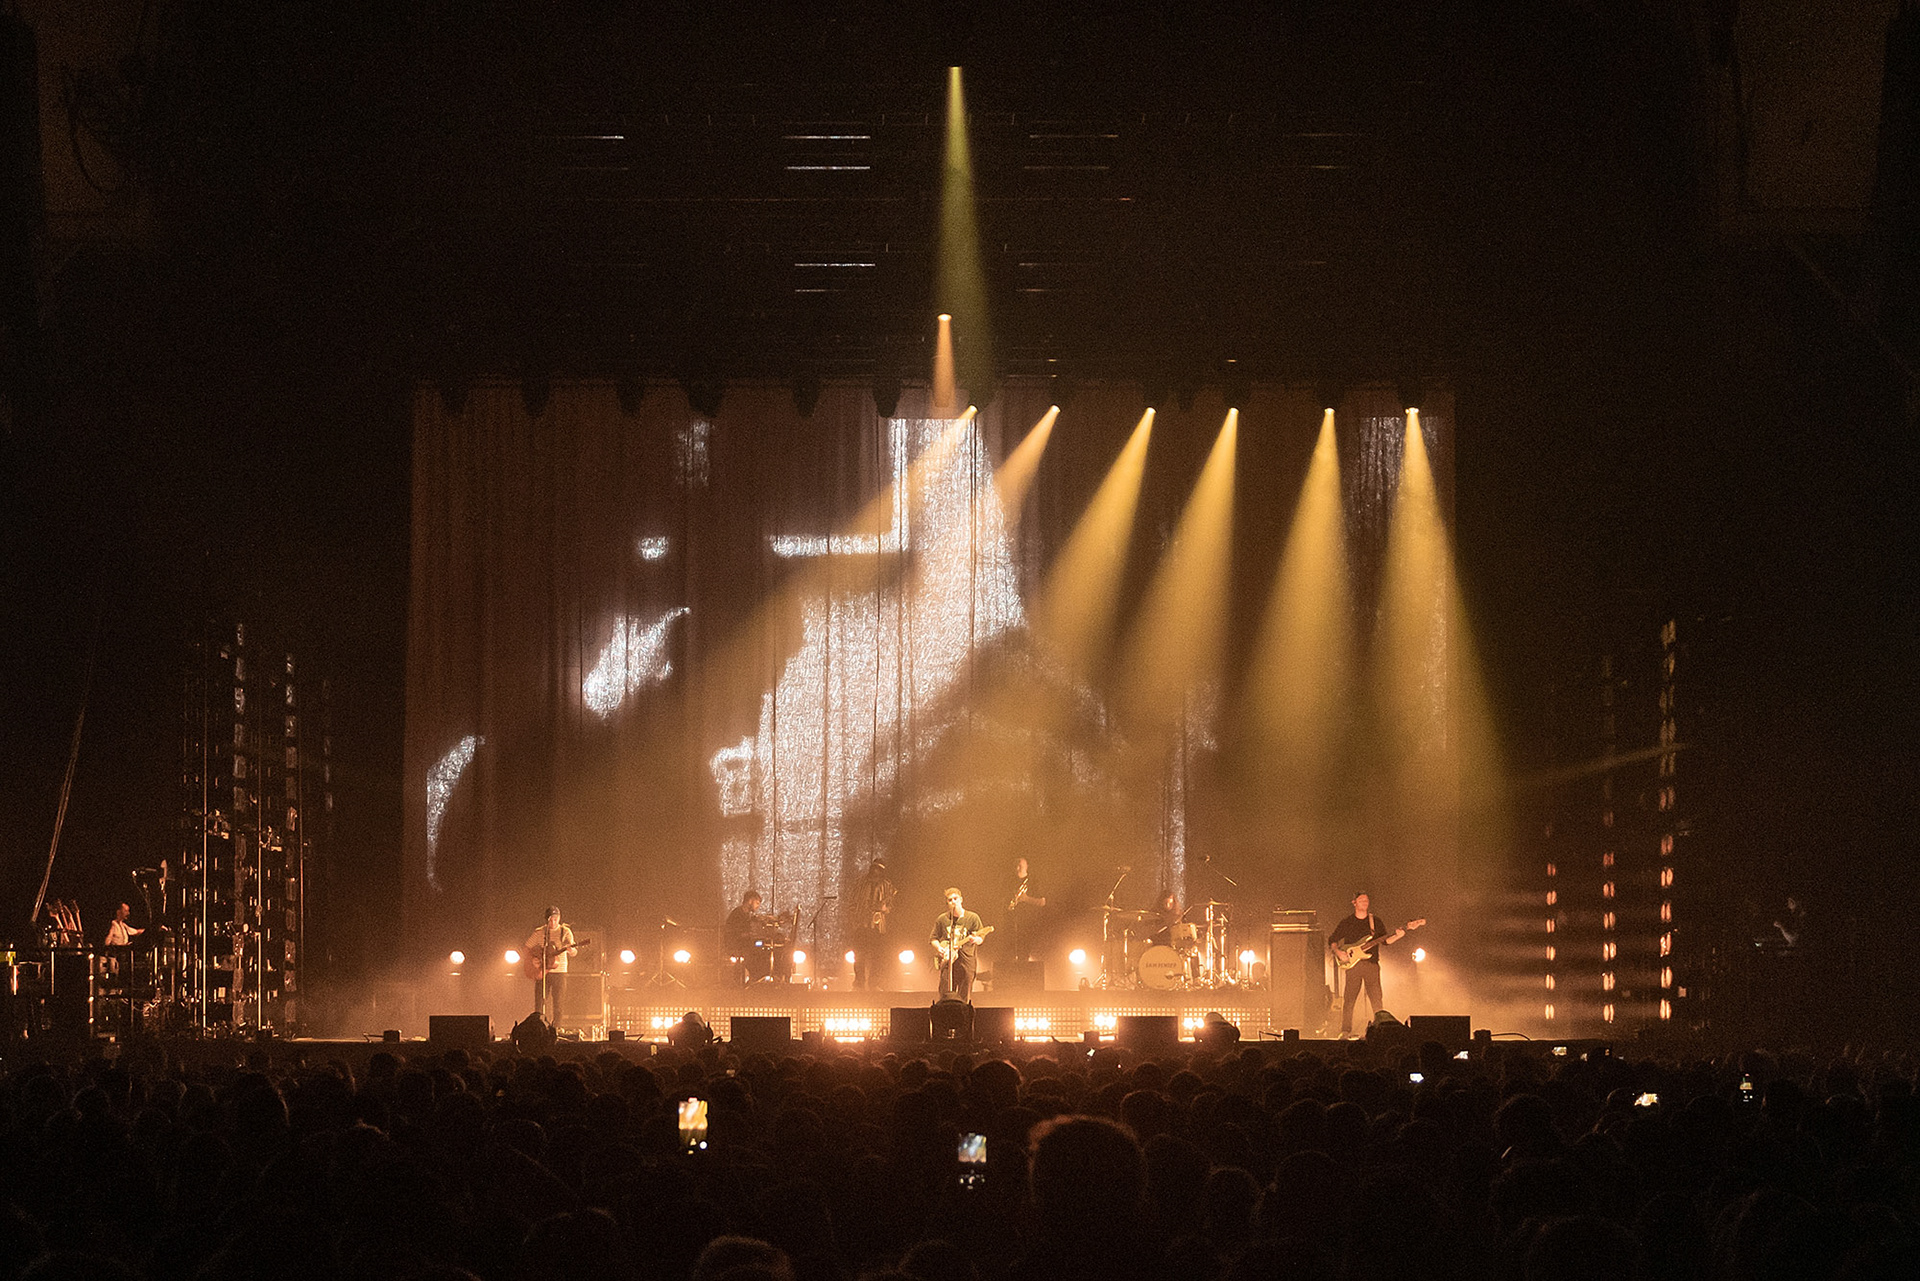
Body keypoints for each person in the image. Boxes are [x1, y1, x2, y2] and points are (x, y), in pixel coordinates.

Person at [1327, 892, 1407, 1038]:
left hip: (1371, 964)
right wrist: (1338, 952)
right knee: (1349, 999)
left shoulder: (1375, 921)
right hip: (1353, 966)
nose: (1365, 902)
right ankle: (1345, 1030)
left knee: (1376, 999)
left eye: (1366, 900)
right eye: (1361, 900)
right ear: (1354, 903)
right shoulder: (1347, 922)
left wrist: (1398, 936)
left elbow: (1385, 941)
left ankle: (1381, 1029)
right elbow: (1333, 939)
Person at [929, 887, 987, 1002]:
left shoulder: (972, 918)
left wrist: (975, 940)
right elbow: (933, 938)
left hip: (966, 961)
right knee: (945, 994)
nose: (953, 902)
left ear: (961, 899)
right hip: (948, 962)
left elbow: (981, 938)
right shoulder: (942, 919)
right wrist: (939, 948)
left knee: (964, 996)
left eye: (955, 898)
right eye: (950, 900)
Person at [850, 859, 895, 990]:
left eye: (879, 870)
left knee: (877, 956)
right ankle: (859, 983)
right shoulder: (860, 883)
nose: (876, 872)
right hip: (861, 924)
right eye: (874, 869)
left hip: (877, 926)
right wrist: (854, 918)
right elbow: (852, 902)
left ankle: (874, 983)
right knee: (859, 955)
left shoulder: (887, 886)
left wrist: (885, 908)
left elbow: (891, 905)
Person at [525, 906, 577, 1020]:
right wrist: (533, 959)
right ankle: (539, 1024)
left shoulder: (565, 932)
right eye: (550, 920)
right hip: (542, 971)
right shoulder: (539, 932)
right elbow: (527, 947)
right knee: (540, 1002)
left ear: (559, 918)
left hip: (560, 972)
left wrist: (571, 949)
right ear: (546, 920)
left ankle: (556, 1027)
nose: (553, 922)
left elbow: (574, 952)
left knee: (558, 1002)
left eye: (555, 919)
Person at [724, 890, 774, 984]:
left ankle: (755, 980)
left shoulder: (746, 914)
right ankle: (753, 981)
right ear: (750, 901)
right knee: (760, 956)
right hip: (736, 946)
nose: (758, 906)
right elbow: (736, 934)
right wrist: (752, 935)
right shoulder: (738, 914)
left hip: (744, 944)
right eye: (757, 903)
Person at [1007, 856, 1046, 961]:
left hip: (1029, 921)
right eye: (1016, 865)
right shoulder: (1010, 882)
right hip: (1013, 921)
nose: (1017, 868)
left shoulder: (1033, 881)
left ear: (1026, 866)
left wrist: (1026, 899)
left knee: (1025, 950)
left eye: (1020, 865)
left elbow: (1042, 902)